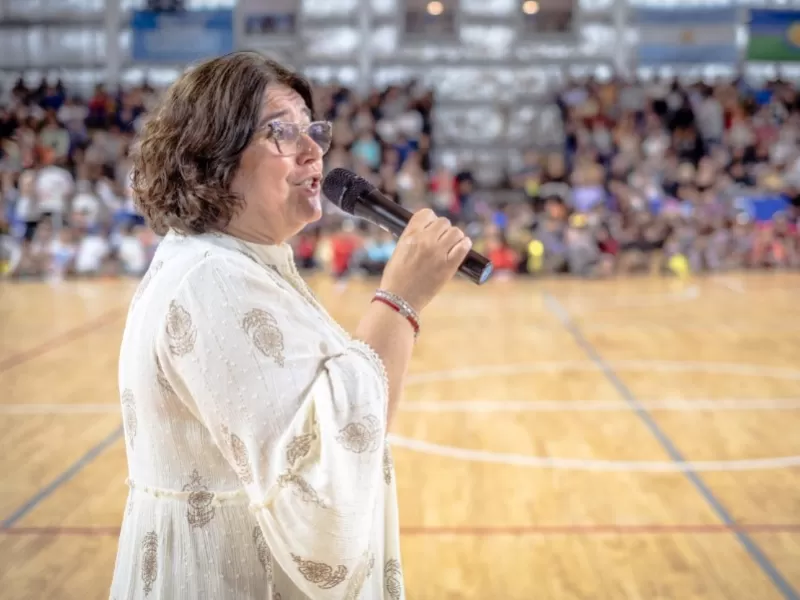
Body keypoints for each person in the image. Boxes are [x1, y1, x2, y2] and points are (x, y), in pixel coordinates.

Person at [110, 51, 473, 599]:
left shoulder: (231, 263)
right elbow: (318, 471)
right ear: (215, 153)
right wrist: (400, 300)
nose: (313, 152)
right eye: (282, 132)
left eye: (313, 131)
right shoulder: (214, 281)